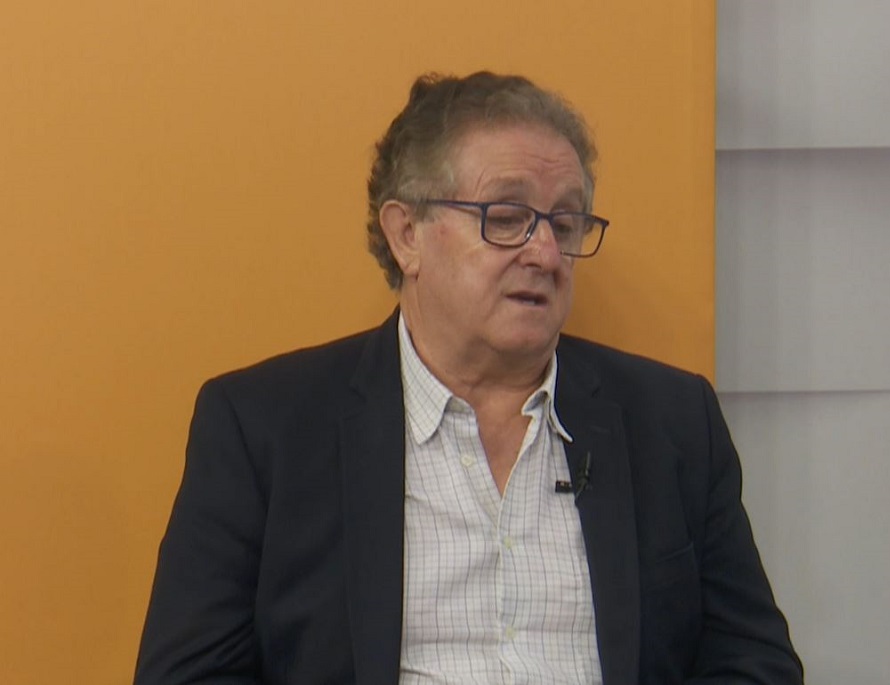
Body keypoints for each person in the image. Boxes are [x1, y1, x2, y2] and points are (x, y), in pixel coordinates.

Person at [135, 71, 803, 685]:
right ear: (407, 235)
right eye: (506, 218)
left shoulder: (672, 420)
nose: (546, 254)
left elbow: (756, 664)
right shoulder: (264, 429)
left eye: (565, 222)